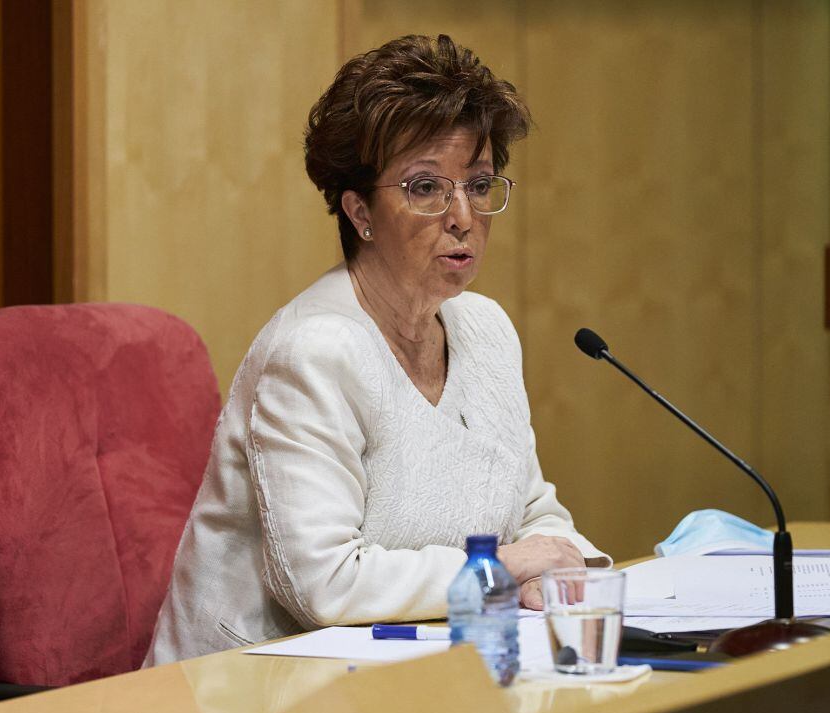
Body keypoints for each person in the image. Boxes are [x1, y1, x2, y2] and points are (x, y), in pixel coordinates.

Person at [144, 34, 609, 666]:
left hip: (425, 674)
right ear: (359, 210)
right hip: (256, 689)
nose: (463, 215)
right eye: (425, 187)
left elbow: (533, 513)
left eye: (478, 184)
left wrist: (549, 564)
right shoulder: (313, 351)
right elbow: (322, 585)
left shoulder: (487, 331)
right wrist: (502, 567)